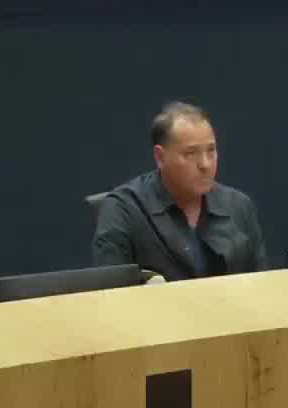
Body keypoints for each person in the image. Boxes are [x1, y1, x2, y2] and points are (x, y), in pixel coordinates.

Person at [92, 101, 269, 281]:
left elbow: (262, 283)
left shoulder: (238, 205)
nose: (205, 164)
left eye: (211, 151)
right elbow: (111, 290)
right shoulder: (123, 209)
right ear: (160, 157)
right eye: (191, 154)